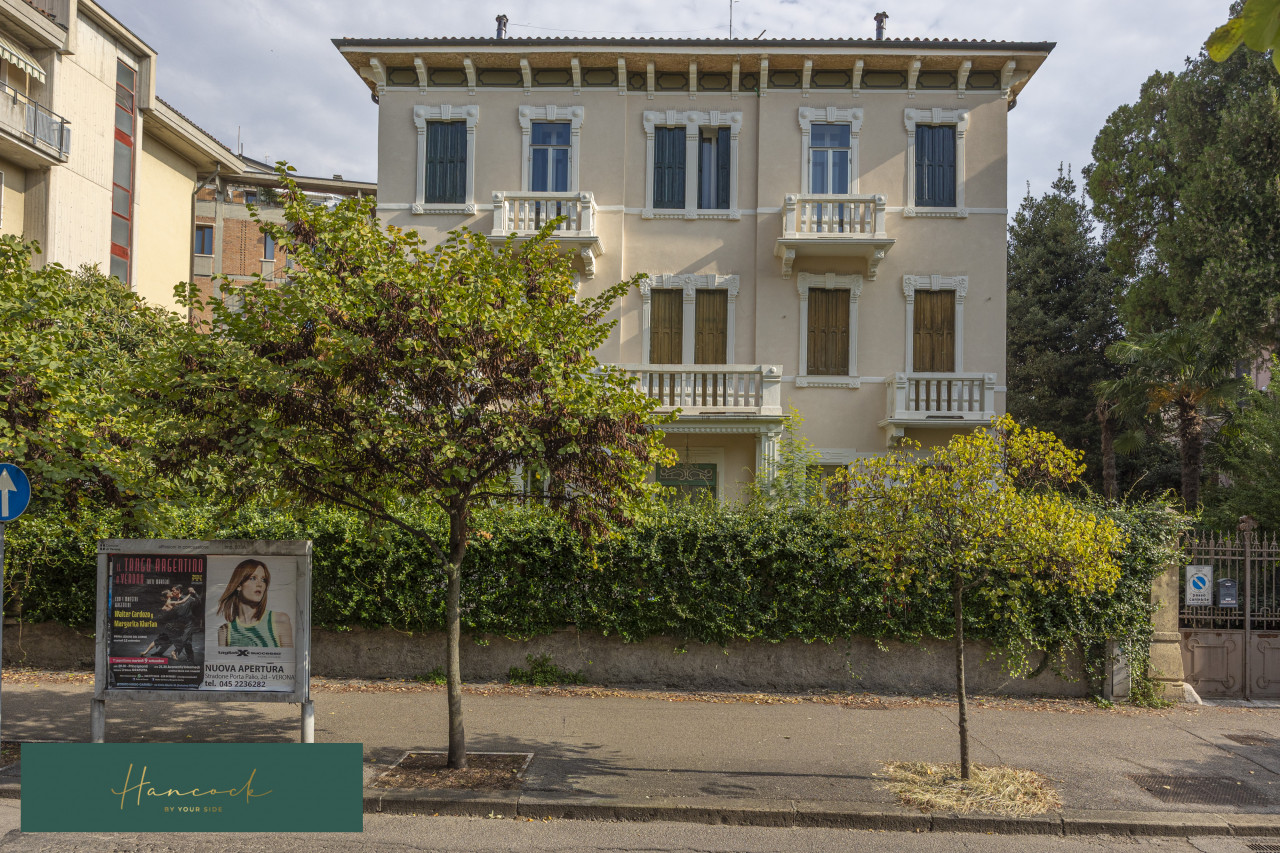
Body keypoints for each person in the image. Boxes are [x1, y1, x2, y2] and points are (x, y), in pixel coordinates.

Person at [216, 559, 293, 648]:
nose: (260, 584)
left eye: (263, 580)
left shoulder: (280, 620)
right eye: (253, 578)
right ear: (239, 585)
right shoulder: (225, 631)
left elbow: (288, 656)